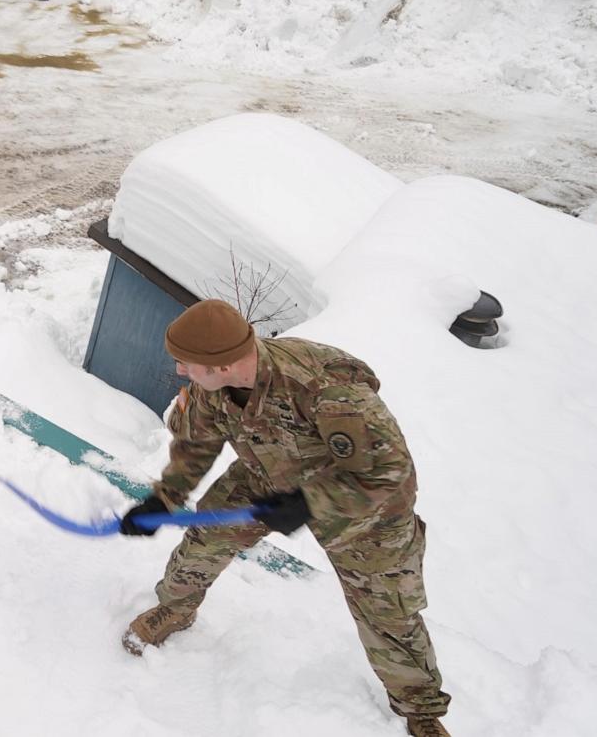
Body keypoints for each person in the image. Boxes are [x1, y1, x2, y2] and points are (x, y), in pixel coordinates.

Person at [118, 299, 452, 737]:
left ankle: (421, 711)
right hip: (265, 473)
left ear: (221, 365)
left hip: (362, 506)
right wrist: (165, 497)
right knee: (205, 539)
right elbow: (196, 443)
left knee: (388, 613)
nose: (180, 371)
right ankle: (175, 610)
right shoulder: (211, 385)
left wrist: (311, 503)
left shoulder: (326, 388)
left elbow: (391, 473)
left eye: (185, 363)